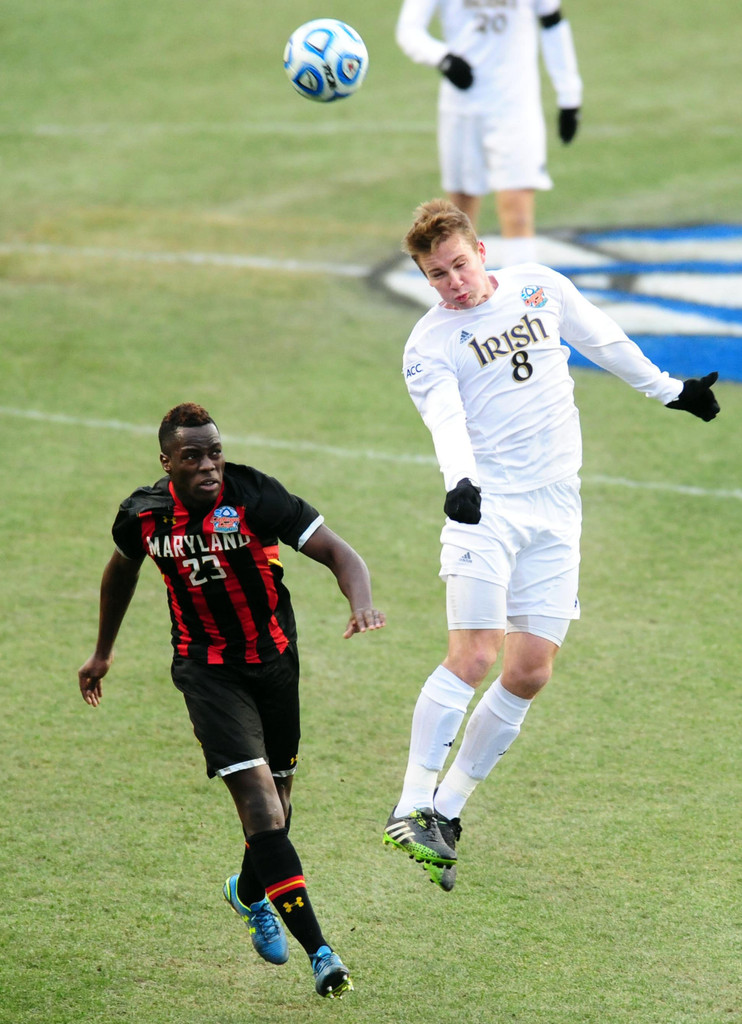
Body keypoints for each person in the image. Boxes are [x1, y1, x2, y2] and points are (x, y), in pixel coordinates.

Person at [382, 199, 720, 891]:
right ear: (424, 275)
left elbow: (604, 341)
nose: (453, 283)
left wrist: (669, 391)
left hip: (558, 509)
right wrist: (460, 481)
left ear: (481, 250)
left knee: (531, 670)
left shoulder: (541, 287)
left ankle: (446, 812)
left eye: (459, 265)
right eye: (436, 274)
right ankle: (410, 805)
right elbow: (446, 419)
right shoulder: (428, 344)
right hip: (487, 509)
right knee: (475, 655)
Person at [79, 403, 385, 997]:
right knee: (262, 807)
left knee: (281, 804)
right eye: (192, 456)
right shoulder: (143, 516)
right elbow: (121, 573)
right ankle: (322, 954)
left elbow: (339, 553)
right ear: (167, 461)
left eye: (214, 453)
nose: (208, 466)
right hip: (206, 671)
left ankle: (248, 893)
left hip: (274, 664)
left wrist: (362, 602)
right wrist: (102, 652)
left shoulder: (255, 495)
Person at [395, 0, 583, 264]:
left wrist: (569, 95)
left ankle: (522, 290)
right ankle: (465, 289)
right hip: (461, 109)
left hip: (516, 106)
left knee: (517, 213)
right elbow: (409, 30)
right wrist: (443, 58)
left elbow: (552, 22)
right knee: (459, 219)